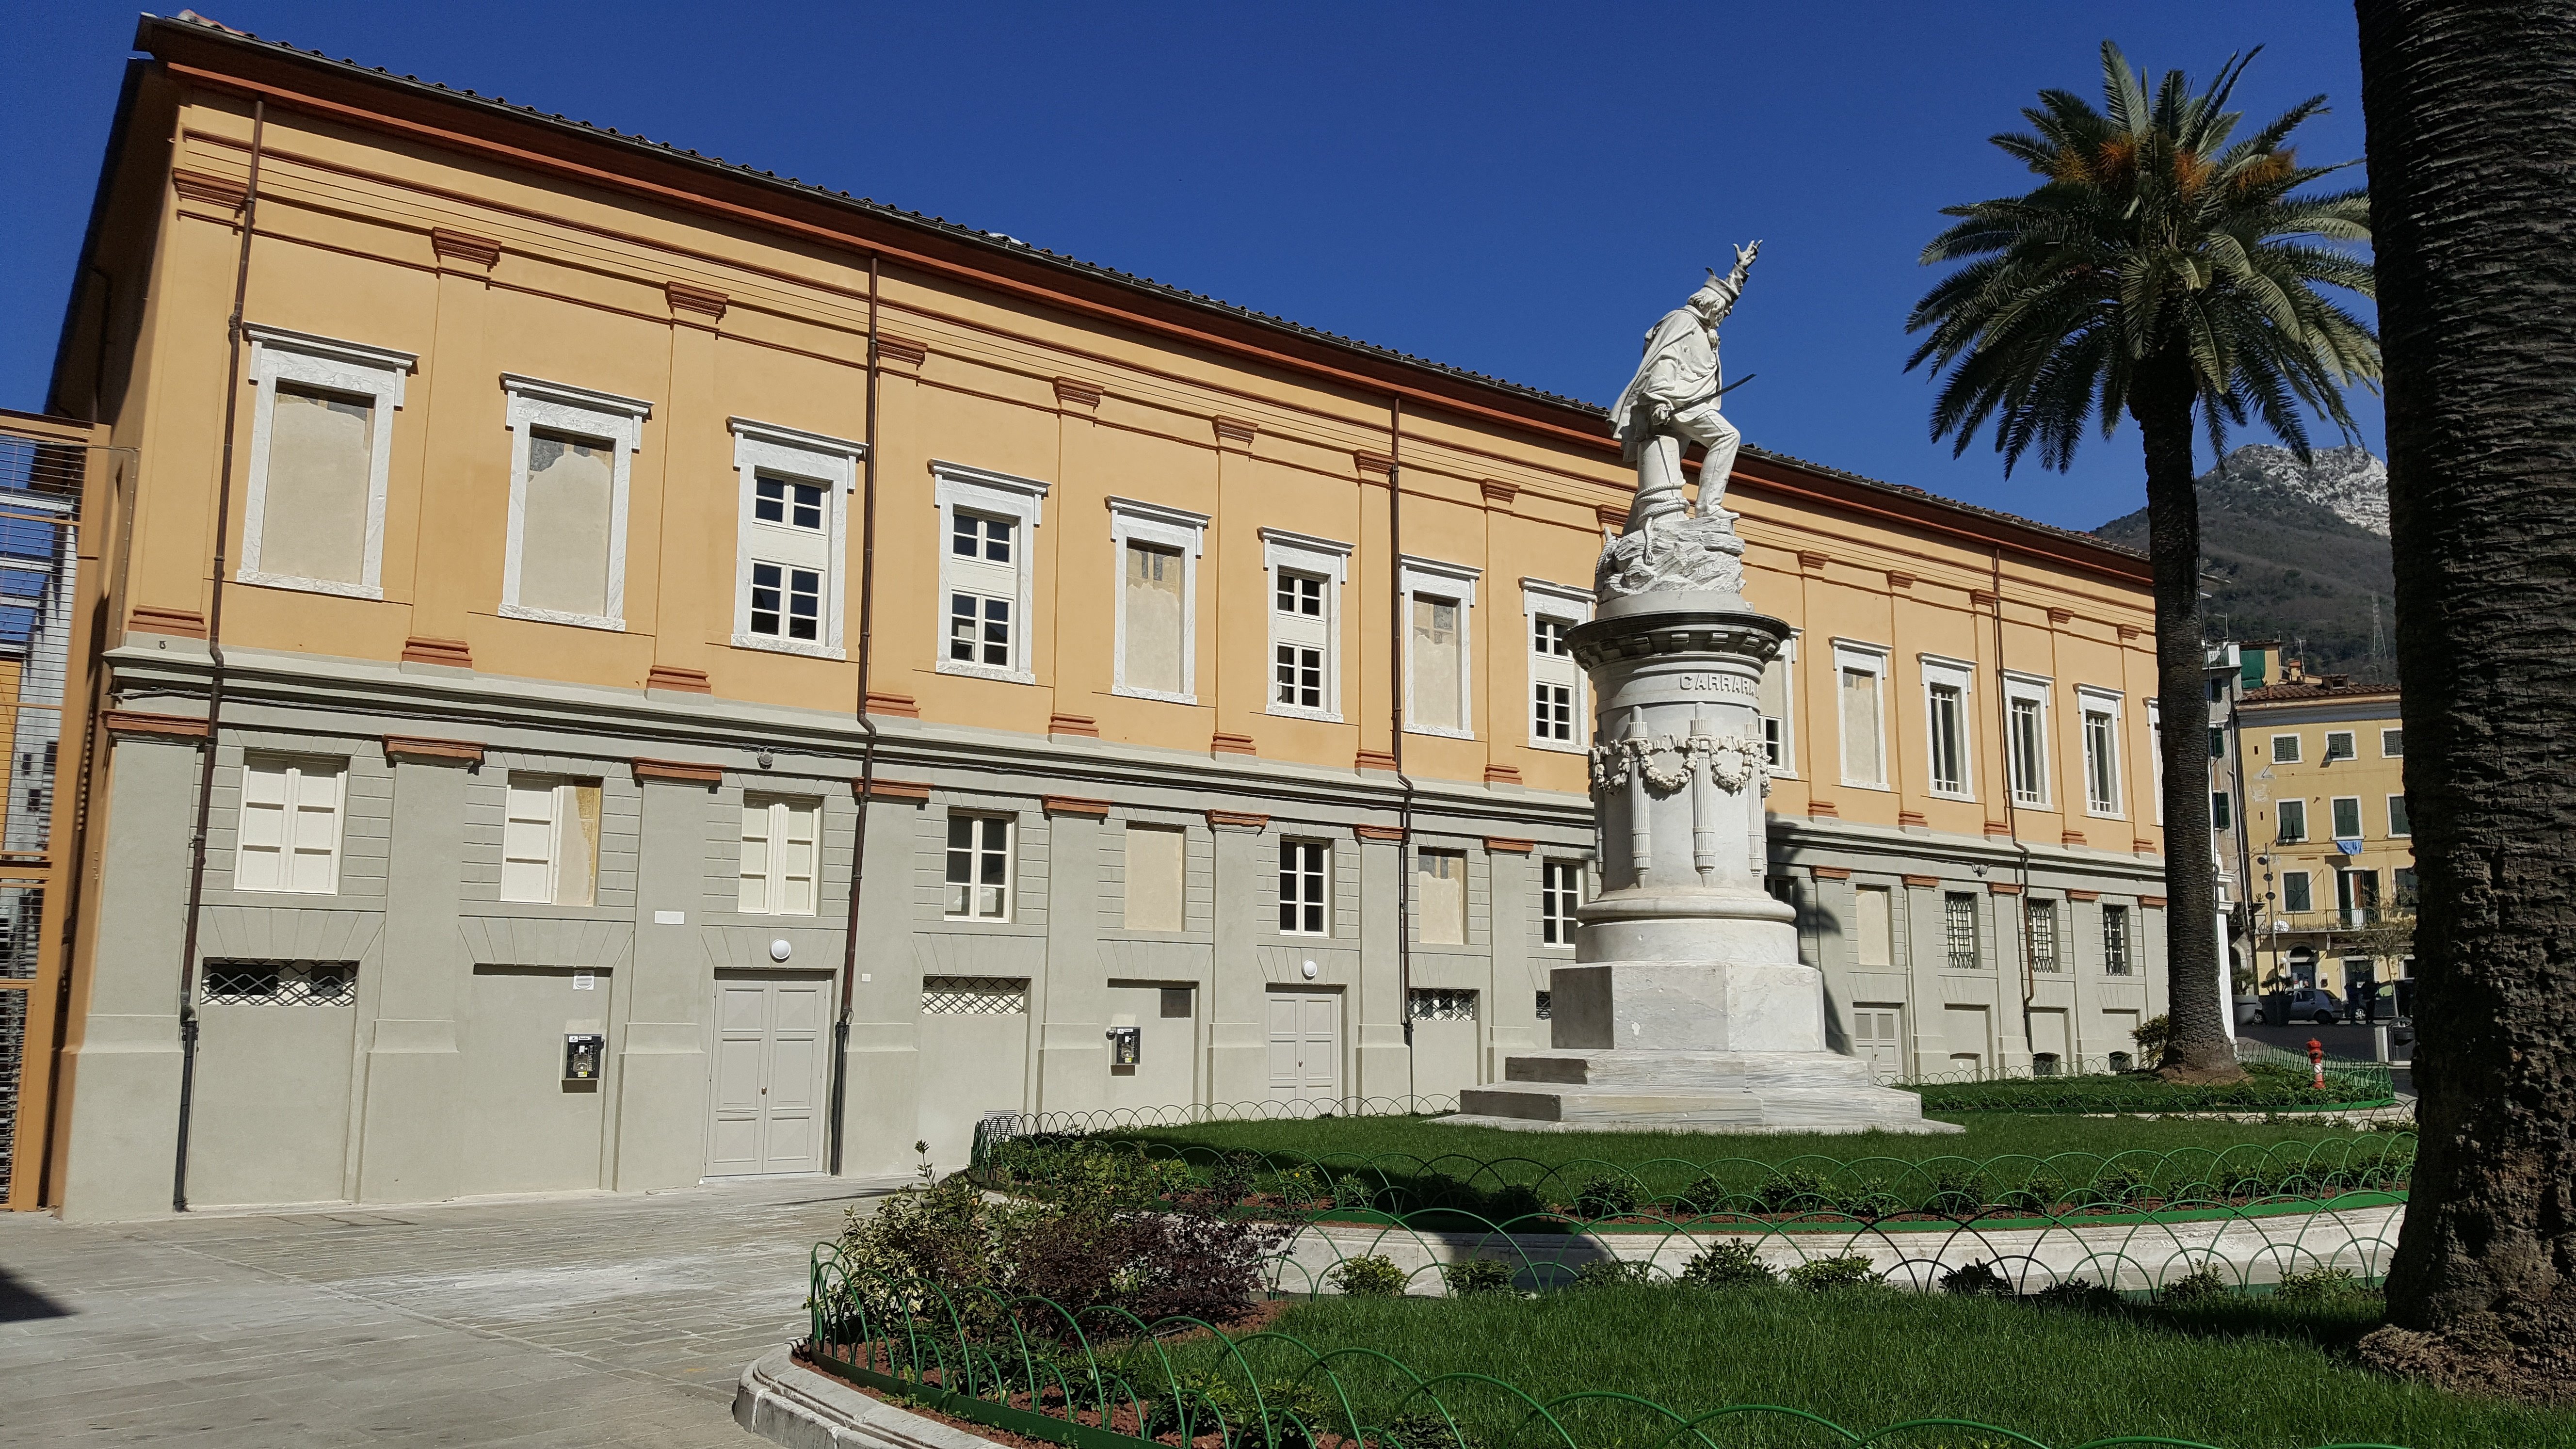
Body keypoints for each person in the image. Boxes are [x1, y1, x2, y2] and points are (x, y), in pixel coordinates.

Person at [1610, 242, 1758, 531]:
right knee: (1727, 437)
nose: (1726, 315)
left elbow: (1725, 297)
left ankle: (1632, 534)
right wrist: (1660, 400)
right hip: (1677, 402)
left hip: (1686, 401)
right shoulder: (1683, 321)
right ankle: (1708, 507)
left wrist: (1739, 271)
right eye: (1723, 310)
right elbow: (1664, 357)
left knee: (1662, 477)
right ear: (1711, 305)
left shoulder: (1703, 326)